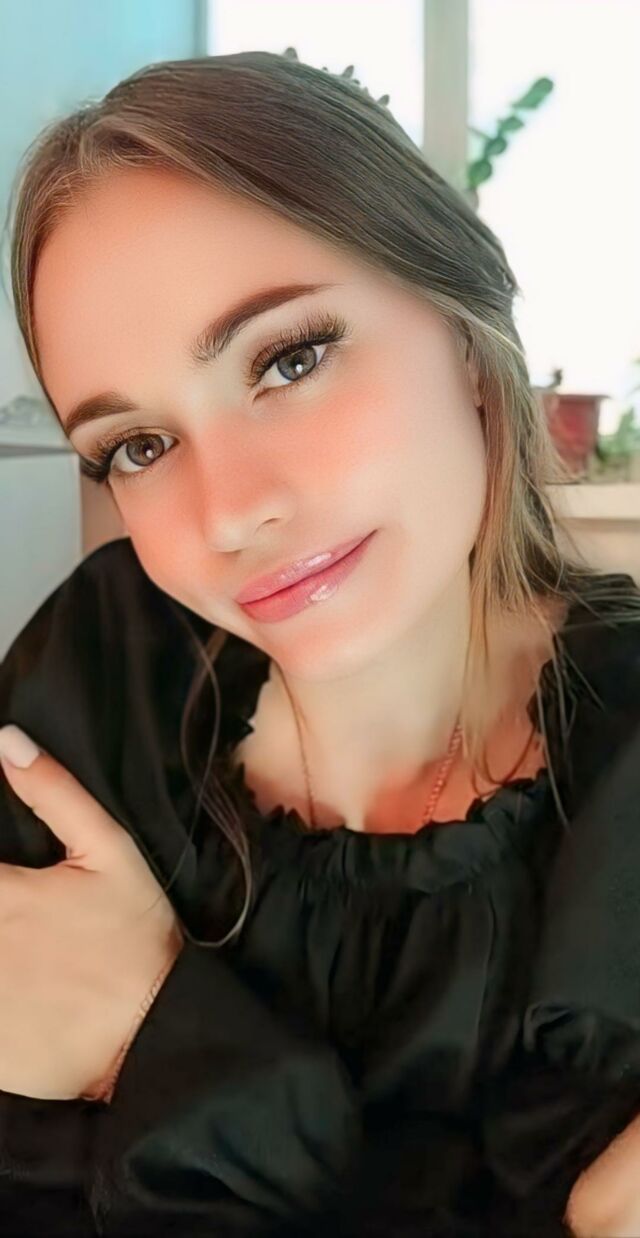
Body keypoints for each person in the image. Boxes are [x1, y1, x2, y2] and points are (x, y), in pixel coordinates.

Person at [1, 47, 640, 1237]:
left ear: (464, 331)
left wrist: (152, 1042)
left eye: (288, 358)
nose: (230, 510)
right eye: (138, 445)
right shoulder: (105, 681)